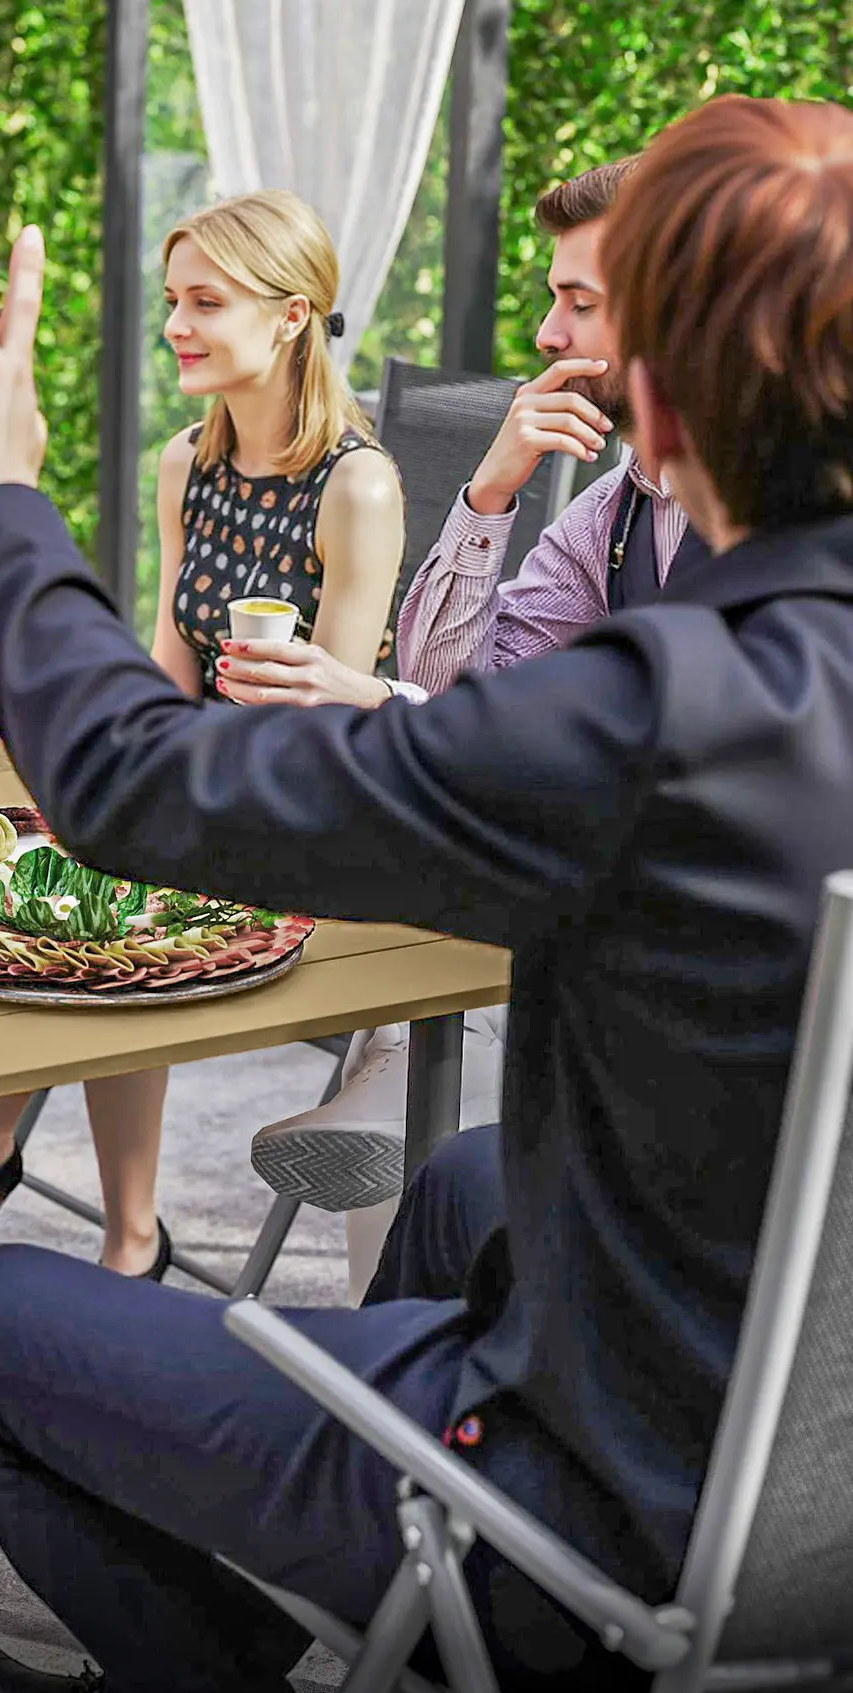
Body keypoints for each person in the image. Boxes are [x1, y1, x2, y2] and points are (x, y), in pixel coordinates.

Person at [0, 93, 853, 1693]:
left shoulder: (662, 713)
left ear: (656, 408)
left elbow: (133, 787)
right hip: (820, 1487)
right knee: (464, 1179)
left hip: (616, 1548)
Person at [0, 190, 403, 1280]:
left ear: (291, 316)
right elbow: (167, 660)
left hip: (301, 810)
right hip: (196, 782)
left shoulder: (359, 487)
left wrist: (160, 793)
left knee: (114, 875)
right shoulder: (184, 463)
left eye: (205, 302)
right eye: (171, 301)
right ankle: (120, 1234)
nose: (175, 326)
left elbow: (327, 728)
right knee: (46, 856)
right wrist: (105, 768)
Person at [242, 157, 710, 1249]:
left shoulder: (793, 523)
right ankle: (400, 1096)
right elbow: (467, 689)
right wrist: (490, 492)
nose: (546, 333)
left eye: (578, 302)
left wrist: (389, 705)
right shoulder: (617, 510)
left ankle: (398, 1091)